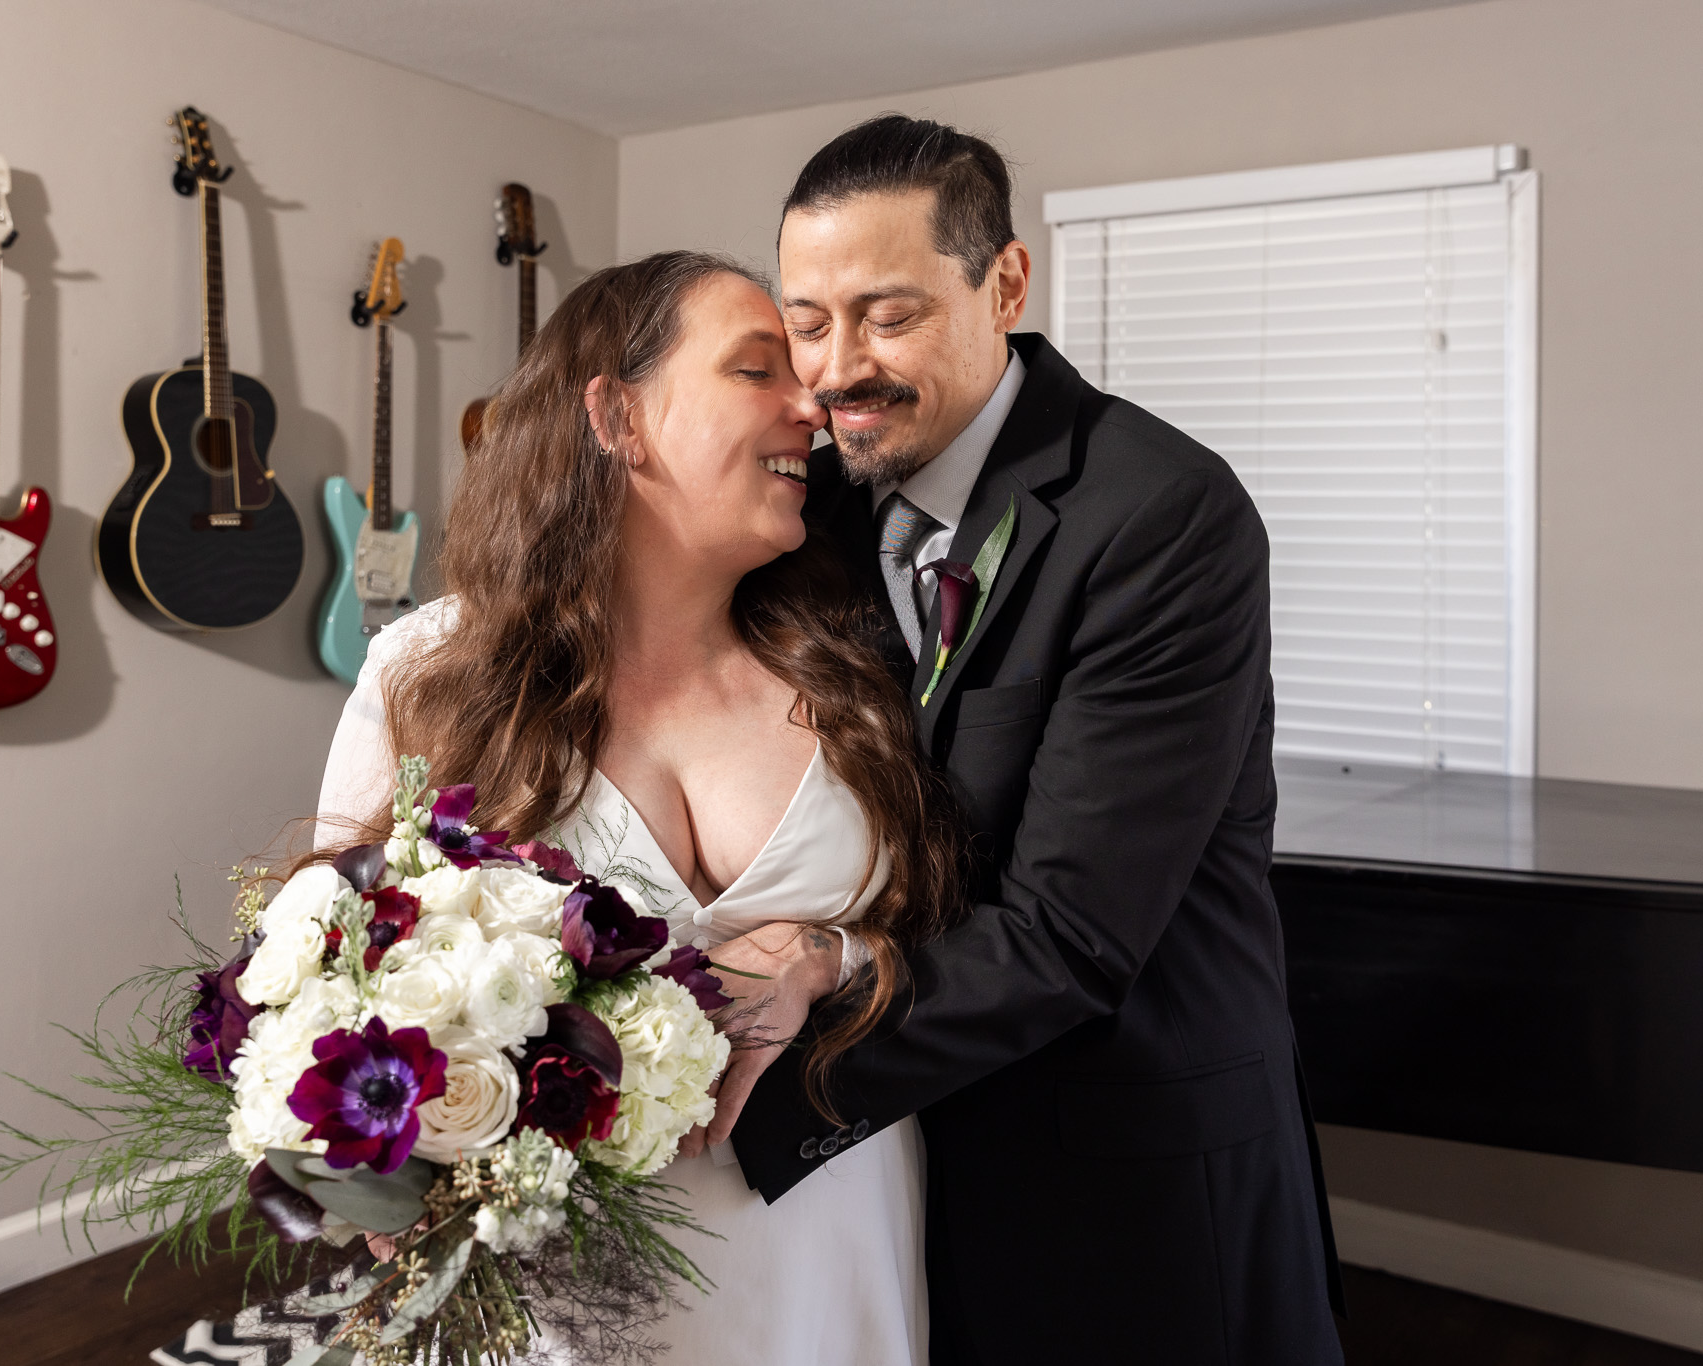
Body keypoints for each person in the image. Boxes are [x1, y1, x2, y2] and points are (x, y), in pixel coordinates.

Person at [707, 115, 1347, 1365]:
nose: (836, 369)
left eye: (886, 315)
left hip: (1127, 1167)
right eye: (806, 321)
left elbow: (1072, 930)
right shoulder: (815, 502)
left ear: (1002, 280)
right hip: (911, 1170)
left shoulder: (1163, 514)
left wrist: (715, 1091)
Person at [312, 250, 966, 1364]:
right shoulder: (429, 671)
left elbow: (946, 931)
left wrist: (829, 953)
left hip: (831, 1237)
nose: (808, 403)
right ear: (616, 416)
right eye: (757, 368)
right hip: (564, 1274)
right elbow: (337, 976)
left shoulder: (858, 671)